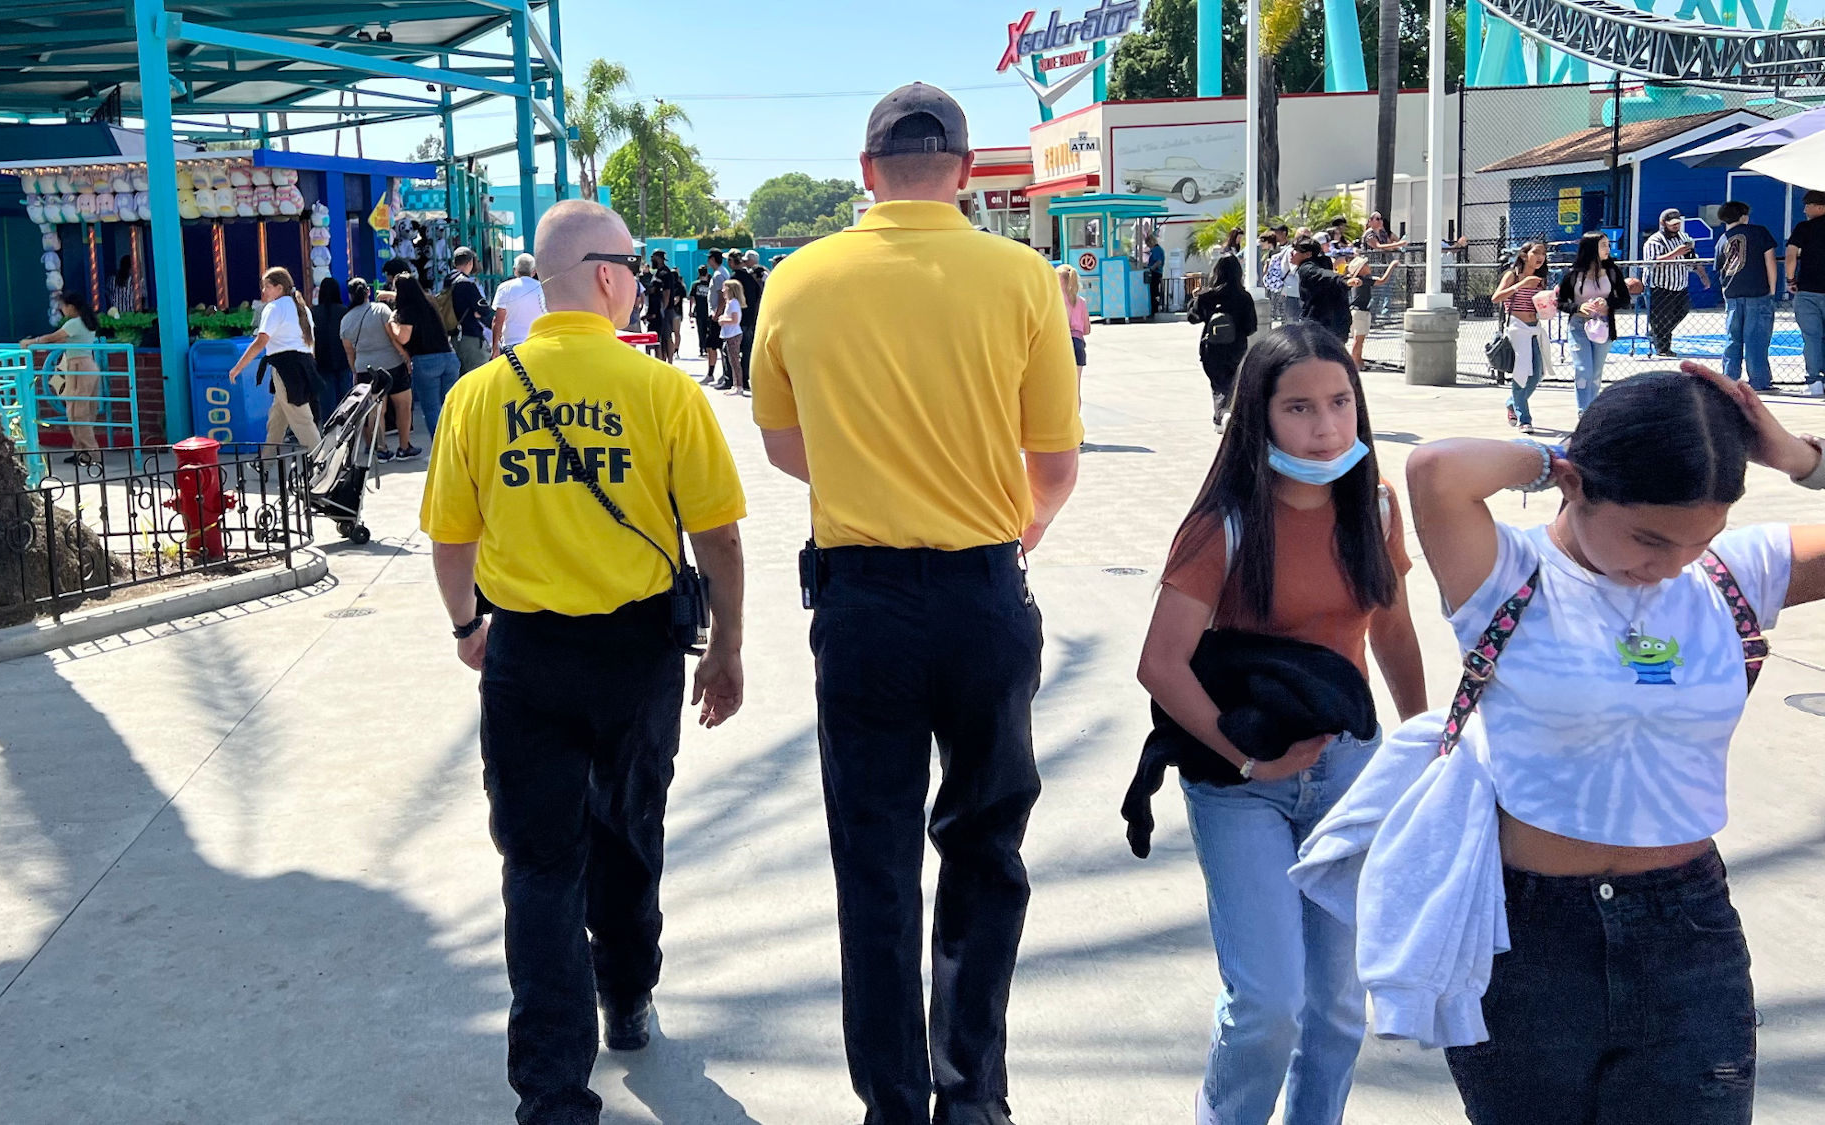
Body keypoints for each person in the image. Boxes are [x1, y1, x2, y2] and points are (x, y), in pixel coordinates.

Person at [751, 82, 1082, 1125]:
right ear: (965, 168)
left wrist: (870, 480)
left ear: (864, 173)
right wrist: (997, 534)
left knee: (874, 858)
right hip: (984, 592)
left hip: (862, 603)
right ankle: (970, 1093)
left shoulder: (796, 281)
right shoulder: (1024, 279)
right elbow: (1055, 467)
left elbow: (781, 443)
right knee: (984, 845)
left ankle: (891, 1100)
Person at [1405, 364, 1825, 1125]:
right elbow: (1434, 469)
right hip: (1526, 940)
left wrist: (1801, 459)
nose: (1669, 565)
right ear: (1577, 484)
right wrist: (1556, 456)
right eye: (1648, 537)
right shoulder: (1507, 571)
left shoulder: (1732, 574)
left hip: (1687, 936)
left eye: (1700, 539)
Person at [420, 198, 748, 1125]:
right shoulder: (663, 391)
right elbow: (717, 537)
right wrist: (725, 648)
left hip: (525, 654)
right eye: (634, 265)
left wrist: (465, 627)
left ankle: (554, 1094)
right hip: (637, 653)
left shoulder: (483, 394)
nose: (638, 277)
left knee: (538, 865)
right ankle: (629, 992)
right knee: (629, 831)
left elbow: (451, 543)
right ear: (605, 276)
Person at [1138, 323, 1426, 1125]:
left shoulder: (1374, 503)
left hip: (1349, 775)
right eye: (1298, 407)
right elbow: (1160, 663)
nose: (1327, 426)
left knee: (1336, 1007)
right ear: (1256, 417)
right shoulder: (1222, 524)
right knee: (1269, 1001)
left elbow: (1393, 628)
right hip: (1243, 786)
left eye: (1340, 402)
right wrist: (1247, 757)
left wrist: (1423, 743)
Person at [227, 267, 322, 452]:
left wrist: (237, 368)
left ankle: (324, 465)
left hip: (286, 367)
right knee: (277, 418)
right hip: (304, 365)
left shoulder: (274, 308)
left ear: (279, 288)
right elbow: (311, 343)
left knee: (302, 420)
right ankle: (266, 462)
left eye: (267, 287)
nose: (263, 291)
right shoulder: (303, 308)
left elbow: (261, 341)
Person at [340, 277, 419, 461]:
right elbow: (393, 337)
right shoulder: (381, 309)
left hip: (365, 370)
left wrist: (354, 371)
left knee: (376, 411)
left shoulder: (346, 320)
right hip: (393, 365)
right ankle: (404, 446)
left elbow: (349, 351)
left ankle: (381, 449)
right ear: (368, 292)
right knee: (404, 406)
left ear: (351, 296)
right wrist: (405, 356)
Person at [21, 293, 104, 464]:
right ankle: (81, 451)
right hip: (86, 365)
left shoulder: (74, 323)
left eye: (63, 306)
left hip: (79, 367)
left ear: (71, 307)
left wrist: (32, 342)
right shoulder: (85, 322)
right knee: (81, 411)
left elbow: (54, 337)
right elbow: (63, 340)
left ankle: (90, 453)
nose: (62, 309)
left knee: (77, 412)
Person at [1556, 231, 1632, 417]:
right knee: (1583, 370)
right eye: (1603, 245)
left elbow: (1625, 299)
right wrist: (1578, 307)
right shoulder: (1573, 274)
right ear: (1591, 248)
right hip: (1578, 326)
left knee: (1596, 373)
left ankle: (1592, 411)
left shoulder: (1613, 272)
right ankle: (1584, 413)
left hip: (1603, 327)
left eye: (1608, 244)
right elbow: (1560, 302)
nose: (1608, 249)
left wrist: (1608, 304)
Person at [1714, 199, 1780, 392]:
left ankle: (1729, 380)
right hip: (1757, 292)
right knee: (1756, 339)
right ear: (1744, 217)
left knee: (1733, 339)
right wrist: (1772, 289)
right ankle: (1759, 381)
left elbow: (1720, 269)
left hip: (1732, 295)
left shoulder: (1722, 240)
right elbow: (1770, 261)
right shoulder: (1759, 232)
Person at [388, 273, 460, 444]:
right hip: (449, 357)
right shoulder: (429, 304)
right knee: (449, 405)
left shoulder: (407, 311)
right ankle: (458, 442)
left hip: (426, 361)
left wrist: (392, 323)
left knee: (432, 408)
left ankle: (442, 447)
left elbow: (403, 338)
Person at [1190, 252, 1258, 426]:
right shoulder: (1244, 297)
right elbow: (1251, 327)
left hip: (1211, 348)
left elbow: (1193, 318)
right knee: (1233, 382)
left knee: (1218, 384)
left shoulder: (1207, 296)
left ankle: (1222, 415)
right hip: (1236, 347)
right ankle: (1227, 415)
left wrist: (1195, 299)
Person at [1492, 241, 1554, 434]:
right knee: (1521, 372)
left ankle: (1512, 402)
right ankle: (1524, 418)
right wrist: (1521, 285)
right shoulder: (1513, 275)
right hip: (1517, 328)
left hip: (1534, 327)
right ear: (1524, 255)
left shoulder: (1540, 278)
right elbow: (1497, 297)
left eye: (1543, 253)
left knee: (1536, 374)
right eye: (1536, 252)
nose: (1540, 257)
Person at [1641, 208, 1711, 359]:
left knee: (1682, 311)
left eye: (1677, 223)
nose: (1675, 226)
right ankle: (1663, 348)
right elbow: (1651, 262)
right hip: (1659, 285)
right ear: (1663, 223)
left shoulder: (1684, 237)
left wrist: (1702, 275)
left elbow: (1693, 258)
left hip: (1680, 284)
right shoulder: (1654, 241)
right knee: (1661, 317)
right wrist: (1675, 253)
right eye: (1672, 224)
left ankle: (1656, 334)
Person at [1788, 189, 1825, 396]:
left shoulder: (1804, 228)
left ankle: (1814, 382)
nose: (1804, 210)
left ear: (1819, 207)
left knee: (1811, 337)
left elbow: (1791, 254)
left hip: (1809, 290)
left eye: (1808, 205)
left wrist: (1790, 279)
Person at [1346, 251, 1399, 370]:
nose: (1368, 267)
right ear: (1360, 270)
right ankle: (1354, 363)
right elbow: (1382, 280)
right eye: (1366, 265)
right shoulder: (1362, 280)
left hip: (1359, 312)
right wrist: (1391, 266)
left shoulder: (1363, 279)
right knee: (1358, 340)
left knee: (1360, 339)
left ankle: (1359, 362)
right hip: (1359, 312)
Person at [447, 246, 494, 375]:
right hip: (469, 336)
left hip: (454, 335)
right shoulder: (467, 283)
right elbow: (484, 310)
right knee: (478, 376)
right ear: (470, 263)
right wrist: (477, 312)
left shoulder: (447, 281)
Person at [1295, 236, 1352, 342]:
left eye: (1296, 251)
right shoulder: (1324, 263)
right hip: (1334, 322)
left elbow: (1322, 275)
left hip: (1322, 325)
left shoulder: (1307, 268)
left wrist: (1343, 280)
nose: (1292, 253)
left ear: (1307, 254)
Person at [311, 277, 351, 421]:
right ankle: (347, 432)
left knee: (327, 403)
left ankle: (330, 434)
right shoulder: (344, 311)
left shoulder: (314, 313)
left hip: (322, 362)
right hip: (343, 360)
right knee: (346, 401)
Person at [492, 252, 546, 352]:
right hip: (536, 342)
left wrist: (495, 347)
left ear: (515, 270)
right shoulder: (543, 288)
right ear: (534, 271)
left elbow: (498, 319)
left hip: (511, 345)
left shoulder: (504, 287)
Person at [1360, 211, 1408, 321]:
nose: (1380, 221)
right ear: (1370, 221)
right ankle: (1368, 317)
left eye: (1381, 218)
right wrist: (1398, 244)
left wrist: (1398, 247)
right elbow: (1378, 246)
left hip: (1383, 265)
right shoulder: (1369, 234)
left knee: (1382, 291)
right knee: (1374, 292)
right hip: (1371, 266)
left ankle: (1374, 316)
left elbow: (1388, 246)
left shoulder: (1382, 233)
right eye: (1377, 219)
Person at [1058, 263, 1091, 397]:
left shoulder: (1057, 301)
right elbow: (1087, 330)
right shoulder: (1081, 302)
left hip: (1062, 344)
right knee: (1076, 389)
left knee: (1061, 387)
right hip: (1078, 344)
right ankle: (1076, 417)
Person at [733, 250, 764, 389]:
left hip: (741, 319)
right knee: (747, 349)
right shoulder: (751, 278)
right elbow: (758, 297)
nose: (745, 263)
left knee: (735, 350)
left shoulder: (738, 278)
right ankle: (745, 378)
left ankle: (738, 379)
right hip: (749, 318)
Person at [715, 278, 746, 395]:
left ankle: (739, 386)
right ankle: (735, 384)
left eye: (725, 288)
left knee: (734, 360)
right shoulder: (730, 303)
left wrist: (723, 320)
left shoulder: (733, 303)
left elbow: (735, 319)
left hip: (734, 334)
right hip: (729, 334)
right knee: (731, 360)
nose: (723, 291)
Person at [689, 265, 719, 382]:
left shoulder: (696, 284)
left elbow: (692, 299)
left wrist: (691, 310)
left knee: (701, 331)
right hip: (706, 312)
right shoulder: (706, 284)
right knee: (704, 331)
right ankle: (703, 348)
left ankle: (702, 348)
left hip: (701, 311)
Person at [1145, 232, 1167, 316]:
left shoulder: (1156, 250)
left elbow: (1158, 262)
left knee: (1153, 291)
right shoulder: (1159, 249)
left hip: (1155, 273)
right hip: (1158, 273)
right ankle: (1154, 308)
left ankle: (1154, 310)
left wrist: (1150, 268)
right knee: (1155, 291)